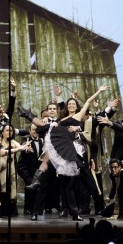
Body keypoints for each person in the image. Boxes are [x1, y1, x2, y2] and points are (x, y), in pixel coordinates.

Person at [18, 85, 109, 221]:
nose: (71, 105)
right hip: (53, 152)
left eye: (73, 103)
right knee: (43, 185)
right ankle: (35, 212)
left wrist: (99, 91)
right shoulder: (56, 120)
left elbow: (89, 101)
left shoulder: (74, 118)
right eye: (69, 103)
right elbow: (41, 127)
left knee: (68, 186)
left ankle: (74, 213)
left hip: (67, 155)